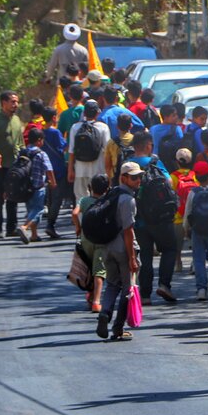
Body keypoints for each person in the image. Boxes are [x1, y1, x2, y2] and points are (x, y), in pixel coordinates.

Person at [126, 131, 176, 304]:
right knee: (169, 249)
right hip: (160, 216)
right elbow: (169, 183)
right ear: (148, 145)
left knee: (145, 255)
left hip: (139, 218)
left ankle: (145, 295)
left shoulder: (128, 164)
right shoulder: (155, 163)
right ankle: (164, 284)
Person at [96, 161, 142, 342]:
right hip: (124, 249)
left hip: (108, 247)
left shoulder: (111, 194)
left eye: (139, 176)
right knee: (127, 288)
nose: (138, 180)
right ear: (123, 178)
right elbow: (128, 230)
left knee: (112, 284)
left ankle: (105, 312)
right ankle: (118, 328)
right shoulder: (127, 200)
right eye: (134, 177)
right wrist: (132, 257)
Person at [0, 91, 25, 238]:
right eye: (13, 102)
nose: (15, 104)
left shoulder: (17, 120)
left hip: (14, 166)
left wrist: (24, 157)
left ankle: (11, 228)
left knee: (13, 197)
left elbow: (20, 142)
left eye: (16, 102)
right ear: (4, 103)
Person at [183, 161, 208, 303]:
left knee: (198, 259)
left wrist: (186, 229)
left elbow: (188, 213)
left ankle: (201, 289)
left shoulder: (193, 193)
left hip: (197, 230)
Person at [73, 174, 110, 313]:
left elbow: (74, 213)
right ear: (107, 188)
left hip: (86, 238)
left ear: (90, 187)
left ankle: (90, 295)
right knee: (99, 272)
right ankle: (96, 301)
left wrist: (78, 228)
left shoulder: (84, 200)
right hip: (101, 240)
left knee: (89, 268)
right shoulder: (108, 201)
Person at [16, 128, 57, 244]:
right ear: (39, 140)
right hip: (38, 187)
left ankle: (34, 235)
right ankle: (24, 227)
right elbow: (49, 170)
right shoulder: (41, 154)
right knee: (38, 210)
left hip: (25, 188)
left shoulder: (22, 152)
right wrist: (53, 183)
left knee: (31, 210)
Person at [67, 100, 111, 201]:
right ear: (98, 113)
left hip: (80, 170)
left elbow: (71, 151)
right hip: (98, 170)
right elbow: (107, 152)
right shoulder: (103, 128)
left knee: (80, 199)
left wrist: (70, 170)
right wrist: (108, 172)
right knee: (98, 199)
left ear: (84, 113)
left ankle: (82, 216)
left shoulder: (75, 127)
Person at [41, 106, 69, 239]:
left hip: (46, 169)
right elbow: (64, 147)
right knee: (57, 198)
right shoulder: (55, 133)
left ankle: (49, 223)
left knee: (51, 197)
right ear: (53, 118)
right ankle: (50, 225)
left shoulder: (41, 132)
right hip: (58, 169)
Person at [170, 148, 196, 273]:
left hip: (178, 215)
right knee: (194, 241)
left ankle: (178, 263)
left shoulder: (173, 177)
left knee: (177, 243)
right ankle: (193, 263)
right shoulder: (194, 175)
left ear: (177, 161)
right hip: (192, 215)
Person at [104, 114, 135, 185]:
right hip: (133, 176)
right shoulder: (136, 140)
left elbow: (107, 165)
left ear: (117, 126)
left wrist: (110, 181)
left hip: (117, 177)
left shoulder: (111, 142)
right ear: (131, 126)